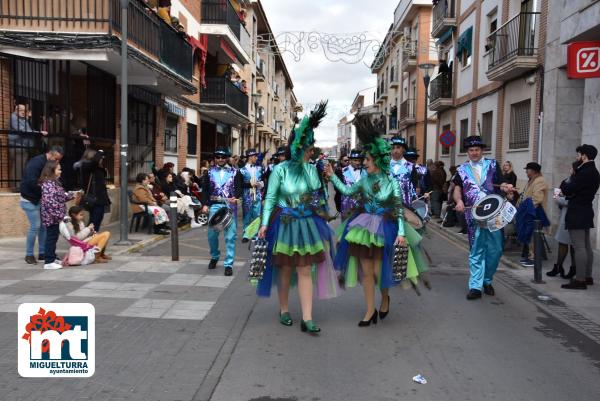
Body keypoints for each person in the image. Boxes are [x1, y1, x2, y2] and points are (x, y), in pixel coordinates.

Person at [326, 116, 427, 326]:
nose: (364, 163)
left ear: (378, 161)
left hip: (385, 228)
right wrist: (332, 177)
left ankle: (385, 298)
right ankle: (369, 310)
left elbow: (398, 209)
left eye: (368, 160)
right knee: (368, 272)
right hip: (363, 227)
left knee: (381, 272)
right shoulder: (364, 180)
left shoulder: (392, 183)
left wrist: (400, 234)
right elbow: (347, 191)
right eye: (364, 160)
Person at [254, 102, 338, 334]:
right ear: (297, 146)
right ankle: (283, 309)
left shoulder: (312, 170)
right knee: (285, 269)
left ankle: (308, 317)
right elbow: (270, 198)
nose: (310, 151)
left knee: (304, 269)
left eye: (312, 148)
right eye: (307, 148)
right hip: (284, 223)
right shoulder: (280, 169)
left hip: (307, 224)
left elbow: (318, 196)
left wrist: (318, 173)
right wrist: (263, 224)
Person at [453, 136, 513, 300]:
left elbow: (501, 184)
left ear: (482, 150)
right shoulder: (461, 169)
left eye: (477, 149)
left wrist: (506, 187)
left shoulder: (493, 164)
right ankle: (475, 286)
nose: (474, 153)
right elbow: (457, 189)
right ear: (468, 152)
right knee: (476, 249)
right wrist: (458, 201)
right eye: (471, 150)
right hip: (473, 215)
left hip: (494, 214)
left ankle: (487, 280)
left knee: (496, 250)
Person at [560, 144, 600, 290]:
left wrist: (568, 178)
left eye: (578, 155)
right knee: (586, 246)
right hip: (586, 210)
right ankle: (587, 276)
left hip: (577, 211)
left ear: (584, 156)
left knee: (579, 247)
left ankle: (580, 280)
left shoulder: (584, 172)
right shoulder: (594, 171)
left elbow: (567, 189)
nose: (577, 158)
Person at [201, 146, 243, 276]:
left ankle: (229, 264)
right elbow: (205, 190)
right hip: (214, 206)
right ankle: (214, 256)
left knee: (230, 237)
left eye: (223, 157)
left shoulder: (236, 172)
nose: (220, 159)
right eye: (218, 157)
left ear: (227, 158)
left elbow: (239, 188)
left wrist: (236, 198)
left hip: (230, 207)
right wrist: (205, 204)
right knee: (212, 235)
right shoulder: (208, 172)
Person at [20, 146, 64, 265]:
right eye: (56, 158)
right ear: (51, 154)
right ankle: (29, 254)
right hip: (29, 199)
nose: (57, 162)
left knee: (44, 226)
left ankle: (43, 253)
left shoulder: (49, 164)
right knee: (36, 226)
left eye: (59, 160)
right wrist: (46, 191)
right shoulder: (36, 163)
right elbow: (31, 182)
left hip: (40, 198)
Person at [40, 160, 79, 270]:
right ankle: (48, 262)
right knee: (51, 238)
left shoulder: (53, 182)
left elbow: (61, 197)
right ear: (52, 170)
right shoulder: (48, 184)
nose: (61, 171)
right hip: (52, 217)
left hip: (55, 217)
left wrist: (72, 195)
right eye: (59, 169)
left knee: (53, 237)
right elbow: (51, 203)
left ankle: (51, 258)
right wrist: (61, 215)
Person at [546, 163, 578, 278]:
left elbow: (570, 200)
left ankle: (570, 268)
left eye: (572, 168)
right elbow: (560, 194)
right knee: (564, 242)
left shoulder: (577, 182)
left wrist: (559, 198)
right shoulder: (567, 180)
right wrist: (559, 195)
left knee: (571, 244)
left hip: (572, 216)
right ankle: (560, 267)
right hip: (565, 215)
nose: (570, 170)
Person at [515, 162, 549, 267]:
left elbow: (537, 199)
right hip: (529, 213)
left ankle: (533, 258)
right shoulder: (532, 180)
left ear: (533, 171)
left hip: (534, 214)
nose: (526, 171)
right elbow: (526, 195)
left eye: (527, 170)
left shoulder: (540, 181)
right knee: (530, 236)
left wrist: (525, 210)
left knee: (533, 237)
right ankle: (530, 255)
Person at [75, 149, 111, 232]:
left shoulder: (97, 168)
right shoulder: (86, 166)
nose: (101, 159)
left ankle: (92, 238)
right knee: (94, 221)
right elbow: (94, 162)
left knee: (98, 219)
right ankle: (88, 239)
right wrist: (100, 152)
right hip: (93, 199)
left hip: (100, 198)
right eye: (99, 158)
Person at [240, 149, 264, 243]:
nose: (256, 158)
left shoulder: (259, 168)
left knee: (257, 215)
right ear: (250, 157)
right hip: (247, 196)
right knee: (246, 215)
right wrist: (250, 185)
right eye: (255, 156)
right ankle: (246, 234)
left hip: (257, 195)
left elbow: (262, 181)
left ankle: (254, 234)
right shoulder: (242, 170)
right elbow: (241, 184)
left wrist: (260, 184)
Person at [389, 136, 419, 206]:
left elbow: (414, 188)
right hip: (387, 209)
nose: (395, 150)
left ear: (403, 149)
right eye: (393, 148)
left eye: (398, 147)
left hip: (406, 208)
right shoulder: (384, 167)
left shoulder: (411, 167)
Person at [339, 149, 367, 218]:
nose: (358, 163)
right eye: (355, 160)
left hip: (362, 208)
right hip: (347, 207)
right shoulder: (342, 172)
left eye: (359, 160)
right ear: (350, 160)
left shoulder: (365, 172)